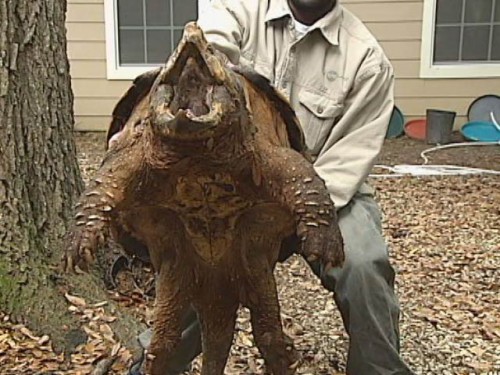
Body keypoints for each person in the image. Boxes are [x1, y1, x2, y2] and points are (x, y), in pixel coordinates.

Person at [132, 0, 414, 374]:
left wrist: (288, 210)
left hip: (324, 187)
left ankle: (379, 369)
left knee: (364, 266)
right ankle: (152, 364)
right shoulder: (234, 8)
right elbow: (205, 62)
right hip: (226, 182)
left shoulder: (366, 60)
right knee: (199, 268)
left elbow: (350, 156)